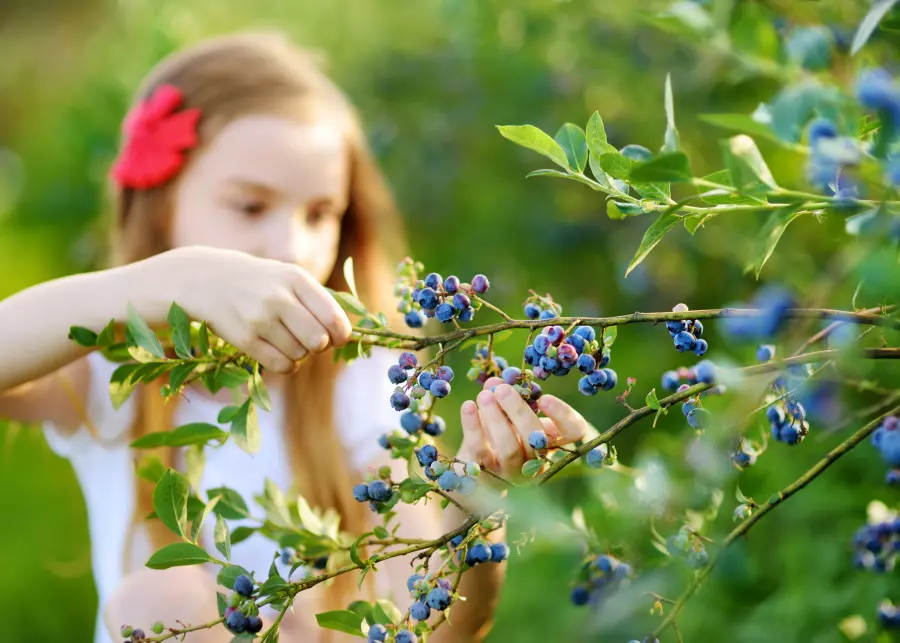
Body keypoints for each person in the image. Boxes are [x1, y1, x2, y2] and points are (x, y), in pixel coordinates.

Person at [0, 30, 593, 643]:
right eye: (251, 207)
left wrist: (474, 508)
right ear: (161, 207)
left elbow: (427, 627)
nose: (290, 249)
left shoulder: (361, 377)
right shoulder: (113, 366)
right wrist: (163, 283)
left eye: (319, 215)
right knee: (164, 596)